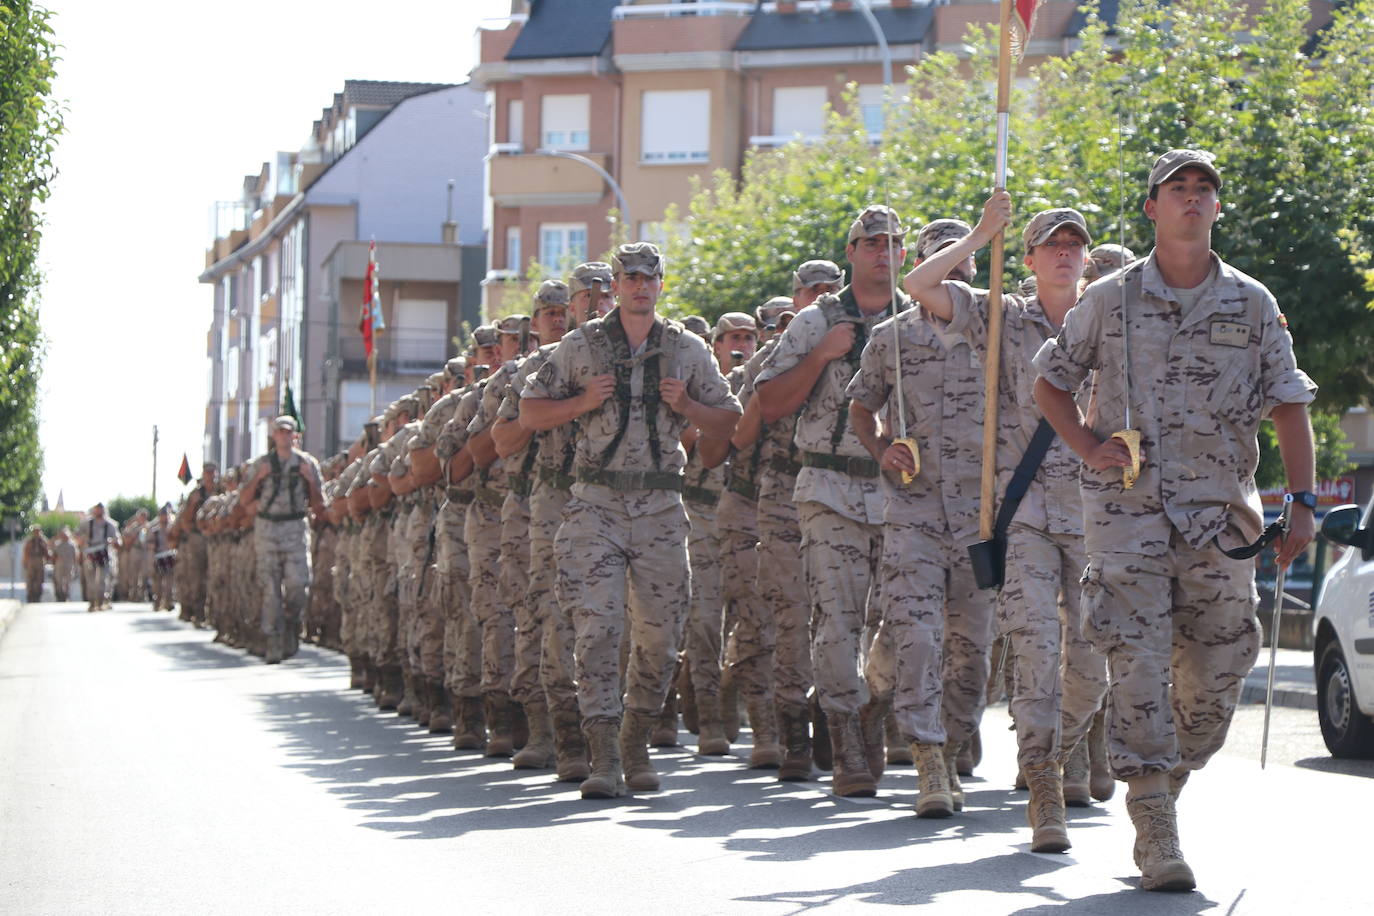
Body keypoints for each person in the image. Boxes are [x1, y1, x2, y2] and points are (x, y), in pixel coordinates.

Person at [1032, 149, 1316, 891]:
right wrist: (1089, 447)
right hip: (1129, 513)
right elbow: (1049, 381)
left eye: (1203, 191)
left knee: (1221, 669)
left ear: (1217, 208)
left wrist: (1305, 502)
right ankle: (1153, 816)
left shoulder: (1252, 302)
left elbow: (1289, 405)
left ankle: (1171, 772)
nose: (1192, 200)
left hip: (1222, 515)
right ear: (1152, 207)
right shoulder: (1110, 299)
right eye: (1177, 190)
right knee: (1137, 654)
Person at [903, 206, 1108, 844]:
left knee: (1092, 659)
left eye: (1075, 244)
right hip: (1023, 518)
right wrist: (981, 234)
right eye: (1052, 245)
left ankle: (1062, 745)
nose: (1065, 253)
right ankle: (1042, 781)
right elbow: (921, 288)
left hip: (1097, 512)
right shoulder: (1001, 317)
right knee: (1037, 652)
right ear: (1029, 259)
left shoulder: (1109, 316)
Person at [520, 241, 741, 798]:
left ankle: (636, 739)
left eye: (651, 276)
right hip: (595, 505)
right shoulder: (581, 346)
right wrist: (580, 403)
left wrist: (688, 406)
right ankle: (602, 757)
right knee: (597, 631)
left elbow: (730, 425)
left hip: (662, 508)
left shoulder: (686, 348)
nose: (641, 285)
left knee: (661, 637)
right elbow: (530, 410)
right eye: (630, 276)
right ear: (614, 285)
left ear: (661, 284)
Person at [754, 207, 912, 797]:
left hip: (900, 490)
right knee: (838, 622)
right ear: (851, 252)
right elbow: (769, 403)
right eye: (871, 243)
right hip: (829, 489)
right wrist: (821, 355)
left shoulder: (918, 318)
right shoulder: (815, 320)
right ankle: (845, 739)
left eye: (894, 242)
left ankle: (872, 706)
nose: (883, 252)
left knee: (901, 619)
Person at [241, 416, 326, 664]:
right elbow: (244, 500)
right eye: (280, 432)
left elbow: (320, 504)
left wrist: (310, 480)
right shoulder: (261, 464)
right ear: (273, 436)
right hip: (267, 530)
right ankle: (274, 640)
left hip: (295, 529)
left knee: (299, 584)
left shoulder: (307, 463)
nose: (284, 436)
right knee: (270, 588)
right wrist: (259, 478)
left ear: (295, 436)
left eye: (289, 432)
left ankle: (292, 623)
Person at [81, 504, 119, 611]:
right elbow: (77, 535)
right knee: (90, 579)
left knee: (102, 579)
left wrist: (113, 542)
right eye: (97, 510)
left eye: (101, 510)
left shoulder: (110, 524)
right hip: (90, 552)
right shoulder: (87, 523)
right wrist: (82, 541)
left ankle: (101, 601)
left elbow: (117, 539)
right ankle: (92, 602)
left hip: (104, 553)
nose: (99, 512)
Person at [147, 505, 177, 612]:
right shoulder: (154, 530)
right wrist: (152, 545)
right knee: (157, 581)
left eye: (166, 515)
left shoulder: (172, 528)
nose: (164, 517)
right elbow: (148, 542)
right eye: (162, 515)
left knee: (169, 580)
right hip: (158, 557)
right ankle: (157, 601)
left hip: (170, 556)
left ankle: (168, 601)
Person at [22, 526, 50, 603]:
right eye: (35, 532)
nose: (36, 533)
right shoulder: (30, 541)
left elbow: (47, 553)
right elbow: (26, 552)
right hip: (31, 560)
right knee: (30, 580)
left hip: (40, 561)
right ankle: (30, 596)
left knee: (39, 580)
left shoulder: (43, 541)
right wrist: (25, 562)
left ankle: (37, 596)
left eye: (38, 531)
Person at [51, 528, 77, 602]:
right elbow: (54, 555)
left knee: (68, 582)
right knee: (59, 581)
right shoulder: (57, 544)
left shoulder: (72, 545)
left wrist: (75, 566)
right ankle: (60, 596)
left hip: (69, 565)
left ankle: (67, 596)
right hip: (59, 565)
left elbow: (75, 556)